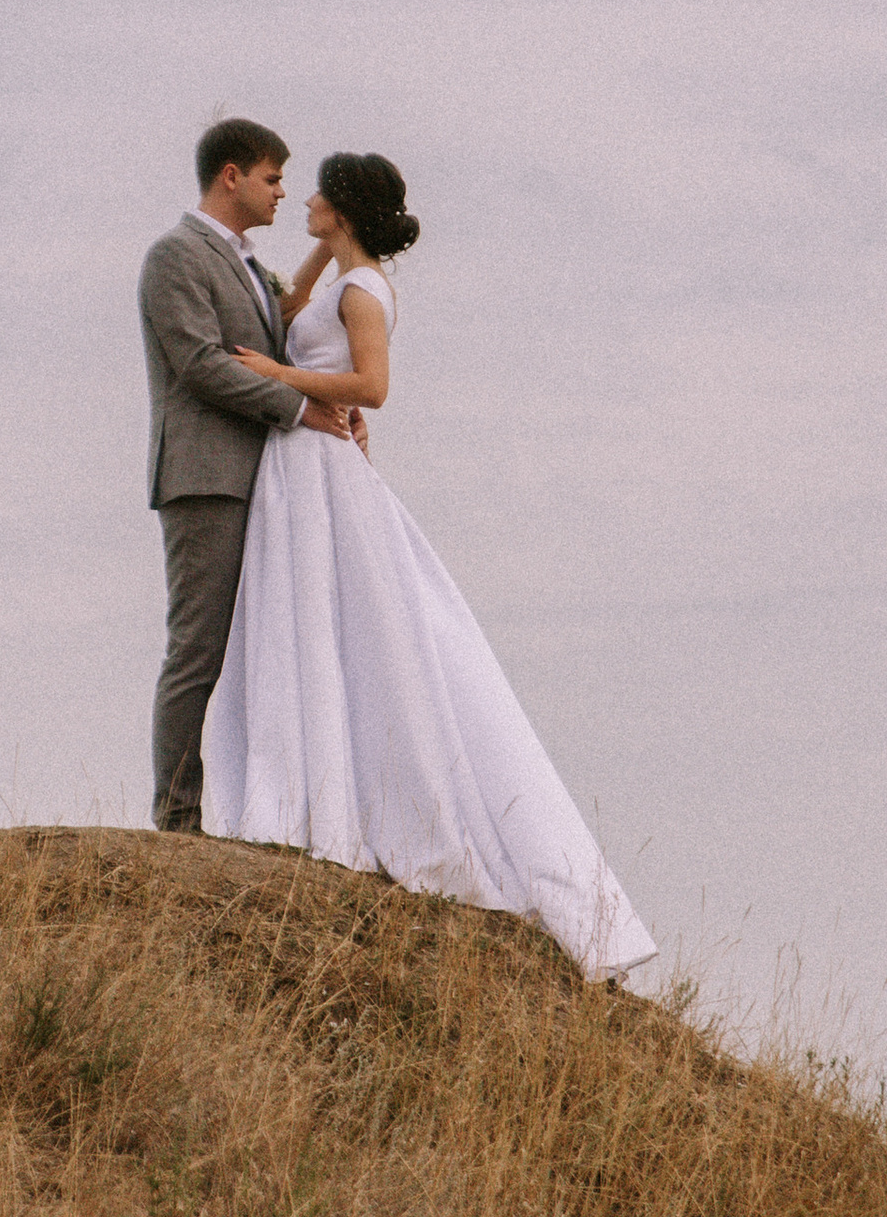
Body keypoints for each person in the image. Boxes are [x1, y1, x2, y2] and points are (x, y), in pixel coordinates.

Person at [204, 149, 656, 979]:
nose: (301, 200)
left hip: (325, 466)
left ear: (341, 205)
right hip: (302, 465)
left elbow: (371, 387)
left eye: (318, 195)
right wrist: (328, 244)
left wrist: (278, 374)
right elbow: (297, 305)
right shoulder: (342, 280)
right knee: (307, 620)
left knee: (352, 627)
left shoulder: (366, 290)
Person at [138, 118, 359, 835]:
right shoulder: (175, 256)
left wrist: (329, 400)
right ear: (230, 176)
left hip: (262, 481)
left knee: (261, 652)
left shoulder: (252, 267)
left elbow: (287, 335)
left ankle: (256, 812)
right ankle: (176, 820)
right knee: (197, 651)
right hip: (205, 479)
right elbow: (200, 365)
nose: (282, 193)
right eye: (271, 178)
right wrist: (301, 407)